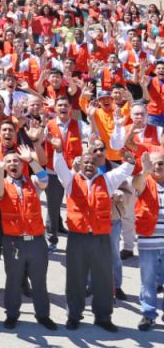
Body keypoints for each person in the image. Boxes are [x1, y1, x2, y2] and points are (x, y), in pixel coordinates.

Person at [52, 139, 135, 332]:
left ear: (97, 164)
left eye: (92, 162)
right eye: (85, 162)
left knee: (104, 278)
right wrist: (57, 150)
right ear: (80, 164)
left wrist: (130, 161)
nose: (89, 165)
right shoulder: (71, 180)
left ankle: (103, 317)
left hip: (100, 237)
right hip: (77, 237)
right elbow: (60, 167)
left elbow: (124, 170)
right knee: (75, 278)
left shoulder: (106, 180)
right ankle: (74, 315)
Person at [0, 146, 56, 330]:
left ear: (22, 164)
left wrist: (31, 160)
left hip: (36, 241)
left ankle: (43, 315)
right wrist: (0, 169)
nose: (13, 164)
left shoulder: (33, 181)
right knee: (13, 279)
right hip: (13, 241)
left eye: (16, 161)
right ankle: (12, 315)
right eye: (9, 161)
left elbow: (44, 181)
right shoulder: (2, 181)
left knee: (39, 280)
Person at [134, 150, 164, 331]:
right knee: (148, 279)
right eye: (154, 163)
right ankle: (148, 313)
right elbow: (136, 183)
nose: (158, 166)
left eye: (161, 163)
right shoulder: (144, 182)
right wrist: (144, 171)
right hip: (149, 240)